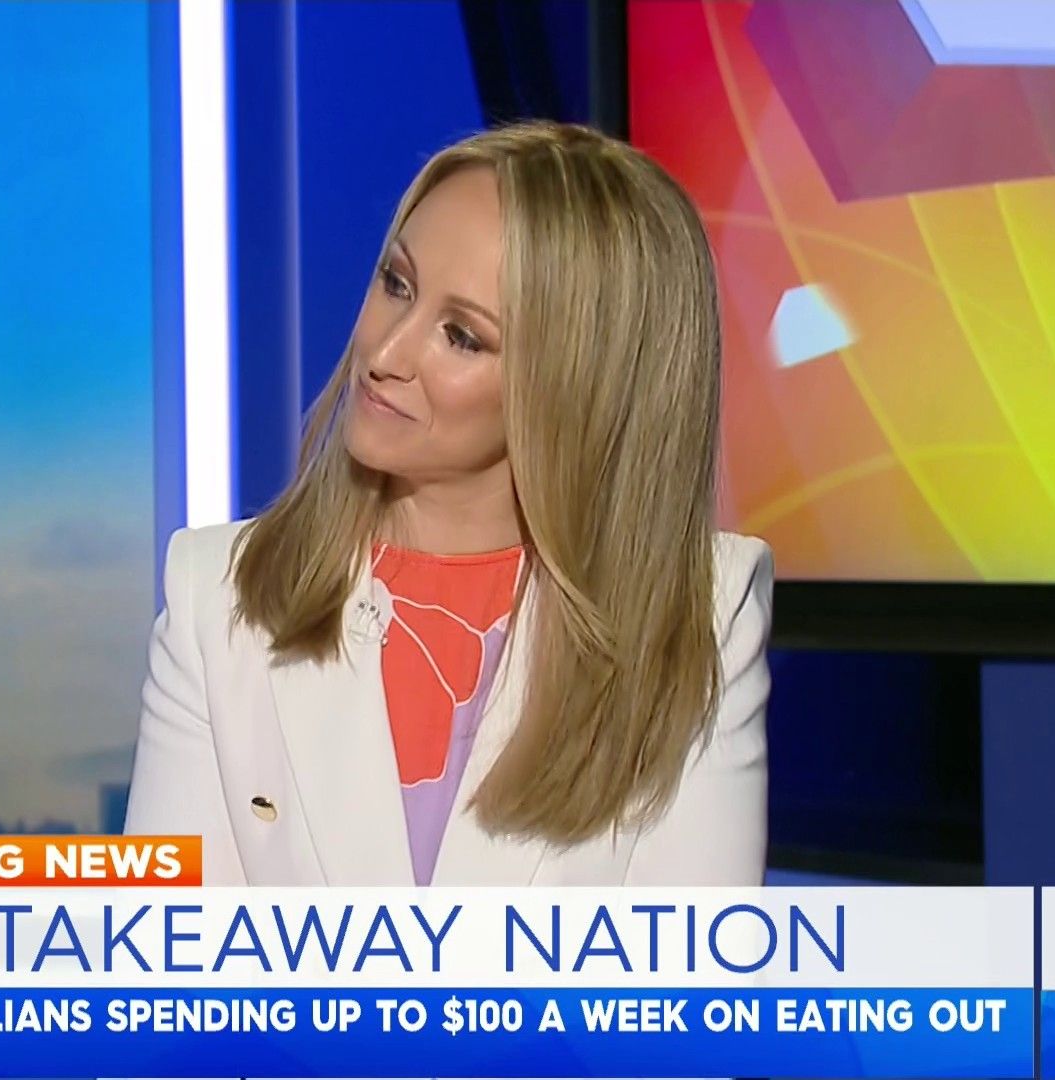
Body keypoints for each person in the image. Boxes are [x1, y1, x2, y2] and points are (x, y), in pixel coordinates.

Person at [125, 121, 772, 887]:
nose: (384, 354)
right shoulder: (219, 595)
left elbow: (688, 960)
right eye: (396, 284)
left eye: (462, 336)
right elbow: (172, 948)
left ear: (577, 386)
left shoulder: (699, 614)